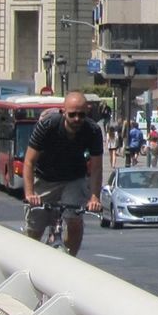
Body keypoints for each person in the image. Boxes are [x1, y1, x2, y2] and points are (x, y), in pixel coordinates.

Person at [23, 93, 103, 257]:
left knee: (74, 219)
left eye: (81, 115)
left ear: (87, 113)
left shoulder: (93, 130)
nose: (76, 119)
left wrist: (94, 198)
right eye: (72, 114)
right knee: (35, 226)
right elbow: (29, 162)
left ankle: (71, 259)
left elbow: (96, 168)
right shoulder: (47, 126)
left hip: (74, 179)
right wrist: (30, 194)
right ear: (63, 112)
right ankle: (28, 259)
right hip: (45, 178)